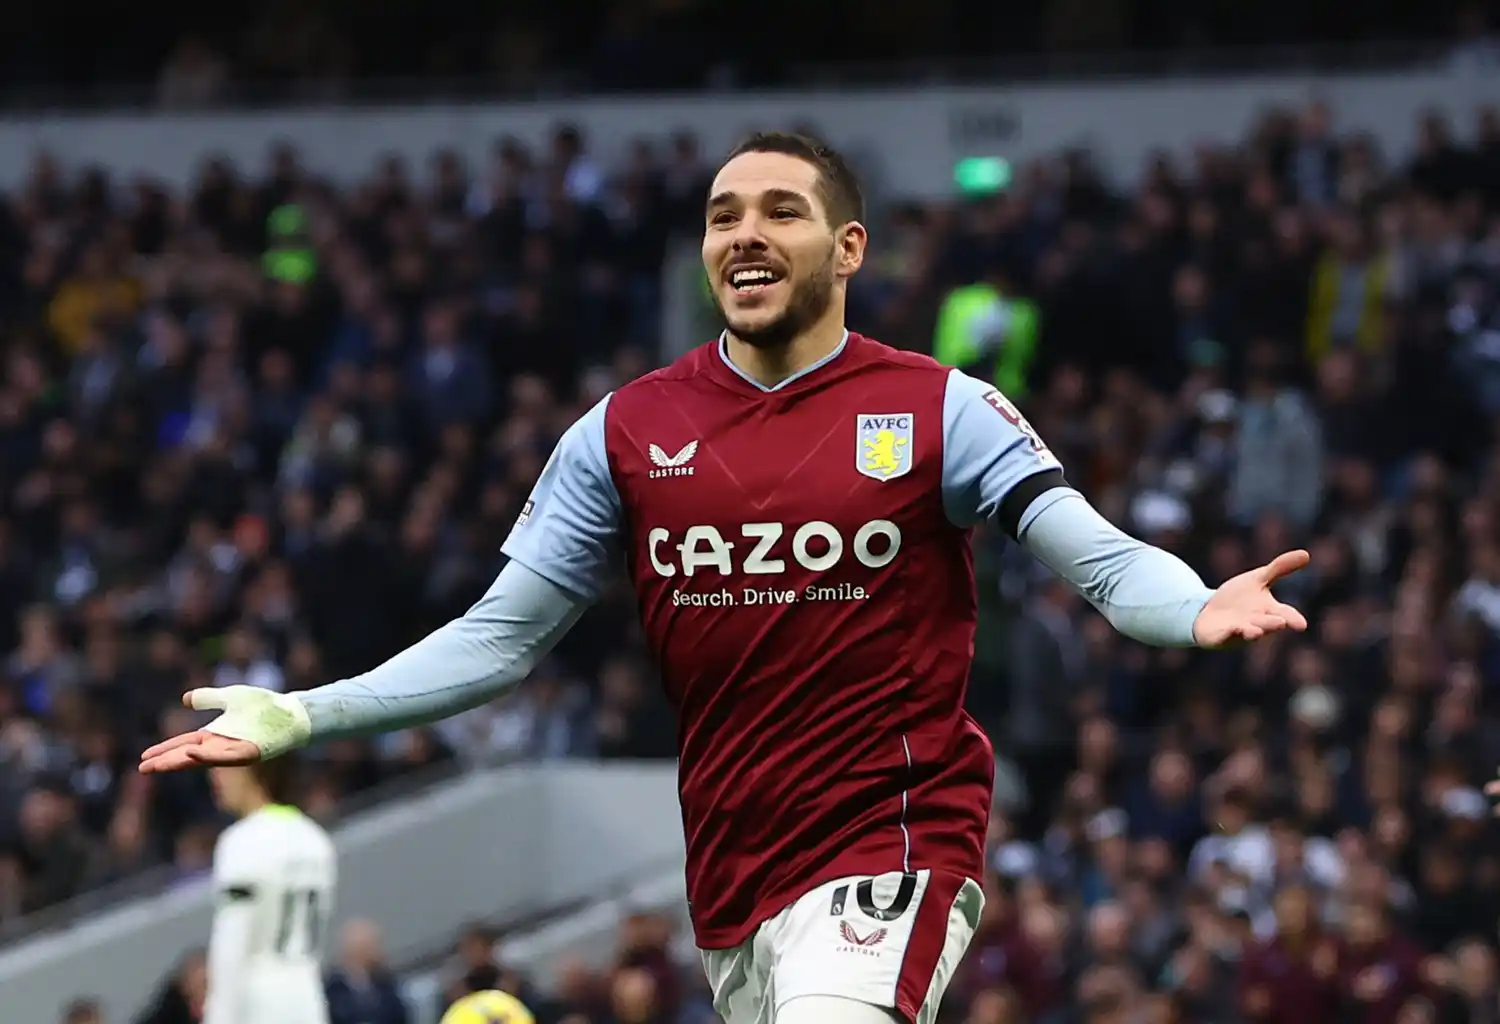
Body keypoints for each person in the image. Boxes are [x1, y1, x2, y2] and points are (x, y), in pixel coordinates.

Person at [139, 132, 1310, 1024]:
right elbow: (499, 638)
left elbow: (1097, 558)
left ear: (848, 248)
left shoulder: (936, 407)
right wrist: (302, 709)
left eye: (781, 213)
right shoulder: (625, 431)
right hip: (733, 868)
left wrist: (1196, 604)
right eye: (721, 216)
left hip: (892, 840)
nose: (743, 234)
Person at [203, 756, 338, 1024]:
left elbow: (232, 943)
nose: (213, 775)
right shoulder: (316, 840)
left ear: (254, 769)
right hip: (309, 1001)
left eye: (223, 764)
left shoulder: (242, 841)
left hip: (258, 1006)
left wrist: (217, 1016)